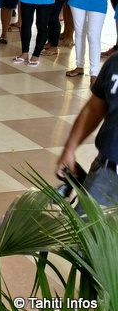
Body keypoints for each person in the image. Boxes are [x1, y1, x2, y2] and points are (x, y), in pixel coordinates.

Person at [58, 51, 118, 208]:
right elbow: (93, 109)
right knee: (87, 221)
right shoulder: (114, 63)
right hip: (108, 170)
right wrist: (70, 148)